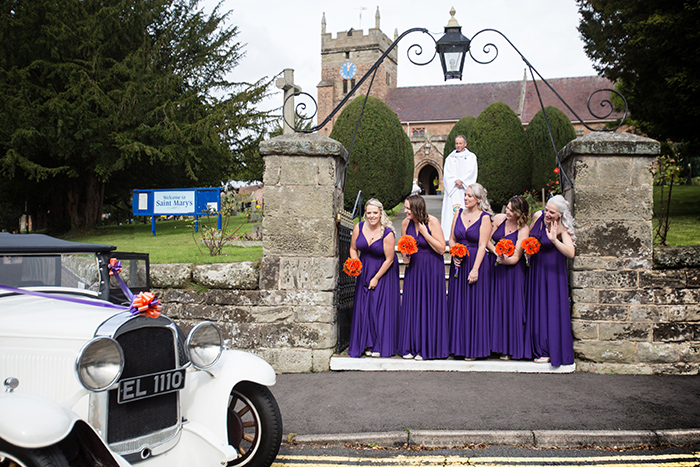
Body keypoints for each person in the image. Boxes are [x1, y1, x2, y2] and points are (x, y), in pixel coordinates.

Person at [524, 194, 576, 366]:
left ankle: (548, 349)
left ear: (560, 214)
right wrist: (528, 248)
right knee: (536, 307)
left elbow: (570, 252)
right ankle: (535, 346)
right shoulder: (538, 217)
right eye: (546, 210)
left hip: (553, 271)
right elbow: (530, 237)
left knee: (550, 309)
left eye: (552, 213)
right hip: (536, 268)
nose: (547, 214)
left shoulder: (562, 227)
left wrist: (554, 240)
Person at [347, 199, 400, 358]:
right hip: (364, 269)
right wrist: (355, 263)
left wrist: (376, 278)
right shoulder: (359, 227)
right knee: (364, 307)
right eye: (369, 213)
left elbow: (389, 259)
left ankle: (378, 344)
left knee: (378, 307)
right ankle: (364, 343)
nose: (372, 216)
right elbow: (353, 248)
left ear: (381, 213)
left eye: (375, 213)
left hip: (383, 270)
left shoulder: (387, 233)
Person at [397, 194, 448, 360]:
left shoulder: (432, 221)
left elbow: (441, 248)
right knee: (413, 305)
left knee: (429, 305)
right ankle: (411, 346)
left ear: (417, 208)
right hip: (414, 268)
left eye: (408, 208)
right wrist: (405, 256)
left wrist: (426, 234)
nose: (405, 211)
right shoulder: (406, 223)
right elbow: (404, 245)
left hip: (432, 267)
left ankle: (427, 348)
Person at [446, 183, 492, 359]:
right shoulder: (458, 213)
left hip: (475, 262)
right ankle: (457, 346)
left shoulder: (485, 218)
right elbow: (451, 238)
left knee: (475, 305)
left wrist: (475, 269)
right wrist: (454, 251)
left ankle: (473, 348)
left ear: (479, 199)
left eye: (469, 196)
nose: (465, 198)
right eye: (465, 195)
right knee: (458, 303)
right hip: (459, 262)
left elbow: (482, 246)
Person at [488, 196, 530, 360]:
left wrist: (506, 259)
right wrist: (496, 251)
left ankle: (509, 347)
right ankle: (495, 345)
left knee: (511, 307)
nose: (508, 211)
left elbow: (517, 256)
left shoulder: (524, 229)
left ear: (520, 213)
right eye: (508, 208)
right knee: (495, 305)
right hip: (496, 266)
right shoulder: (499, 219)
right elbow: (486, 240)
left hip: (513, 271)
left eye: (512, 210)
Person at [440, 135, 478, 239]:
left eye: (460, 143)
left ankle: (467, 235)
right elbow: (447, 174)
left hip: (465, 190)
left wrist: (463, 181)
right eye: (457, 143)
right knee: (451, 214)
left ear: (465, 144)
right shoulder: (450, 158)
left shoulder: (471, 157)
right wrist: (455, 182)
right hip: (453, 191)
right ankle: (448, 236)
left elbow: (472, 172)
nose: (458, 145)